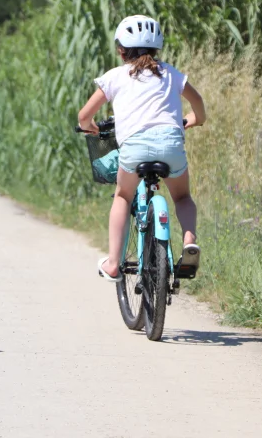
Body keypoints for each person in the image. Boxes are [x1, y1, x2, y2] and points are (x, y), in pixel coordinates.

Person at [78, 15, 206, 283]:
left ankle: (113, 263)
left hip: (134, 149)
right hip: (171, 145)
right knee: (182, 197)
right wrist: (193, 121)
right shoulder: (171, 74)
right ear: (156, 48)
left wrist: (92, 128)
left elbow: (84, 116)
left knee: (123, 197)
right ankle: (189, 241)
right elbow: (198, 104)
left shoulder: (115, 76)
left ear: (121, 50)